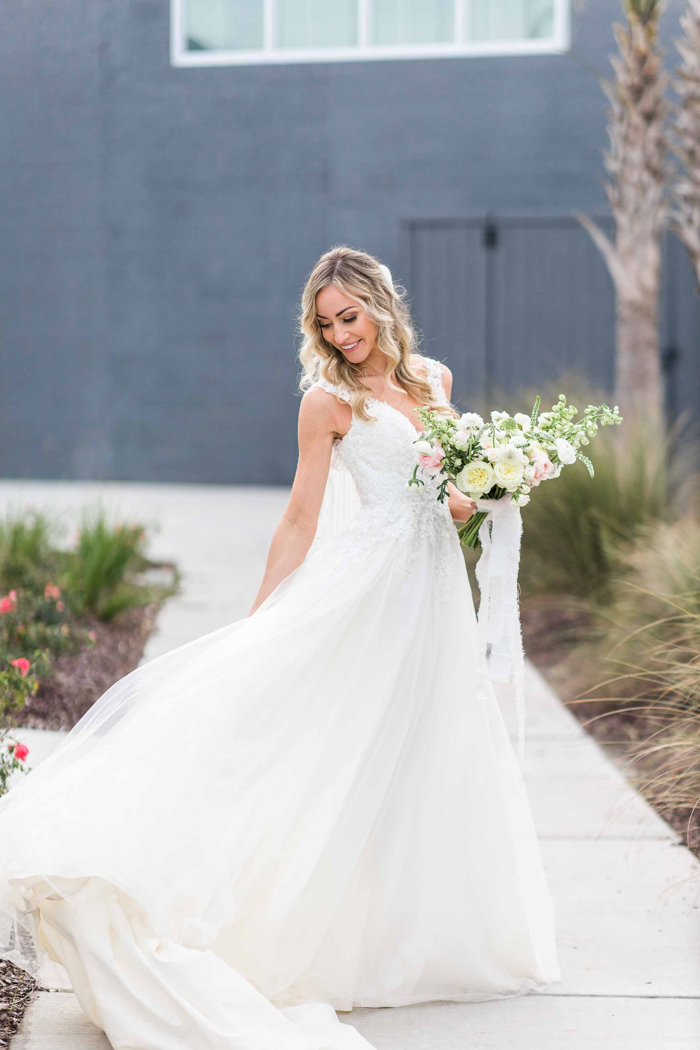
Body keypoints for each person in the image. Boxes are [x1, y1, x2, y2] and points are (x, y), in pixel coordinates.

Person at [0, 246, 559, 1050]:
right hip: (366, 588)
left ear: (380, 306)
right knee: (341, 746)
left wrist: (496, 492)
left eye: (352, 317)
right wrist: (263, 617)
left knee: (421, 749)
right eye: (328, 324)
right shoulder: (327, 402)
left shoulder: (433, 381)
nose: (343, 335)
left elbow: (450, 507)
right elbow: (301, 517)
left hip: (432, 592)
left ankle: (398, 939)